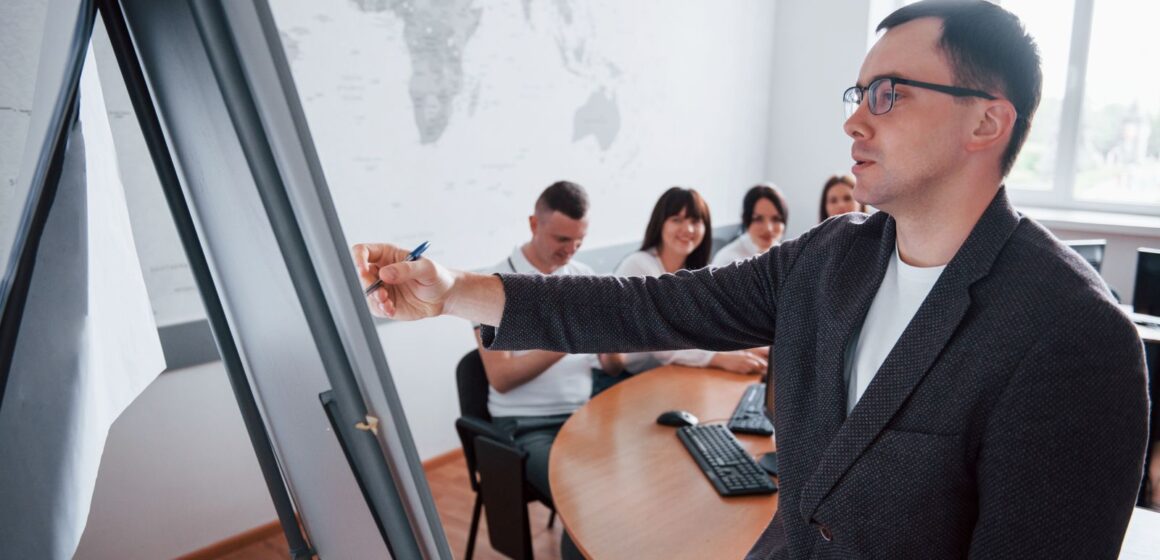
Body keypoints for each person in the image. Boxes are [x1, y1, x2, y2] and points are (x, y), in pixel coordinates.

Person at [354, 2, 1149, 557]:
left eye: (888, 94)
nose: (853, 119)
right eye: (856, 93)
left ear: (987, 120)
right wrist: (453, 288)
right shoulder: (829, 257)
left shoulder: (1075, 340)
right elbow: (645, 306)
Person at [470, 180, 598, 505]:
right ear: (533, 224)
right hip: (527, 426)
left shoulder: (584, 276)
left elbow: (607, 360)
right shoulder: (492, 286)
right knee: (583, 501)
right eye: (562, 239)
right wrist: (571, 339)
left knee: (636, 474)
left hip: (585, 415)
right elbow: (502, 379)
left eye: (579, 241)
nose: (570, 250)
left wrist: (615, 344)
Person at [610, 187, 767, 378]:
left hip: (659, 374)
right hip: (618, 377)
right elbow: (661, 341)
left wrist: (743, 351)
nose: (688, 229)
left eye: (695, 221)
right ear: (660, 223)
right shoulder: (639, 266)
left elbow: (705, 332)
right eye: (677, 220)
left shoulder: (693, 273)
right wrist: (721, 359)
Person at [712, 183, 789, 266]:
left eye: (776, 219)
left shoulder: (785, 256)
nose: (768, 228)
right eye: (758, 219)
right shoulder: (728, 261)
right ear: (746, 220)